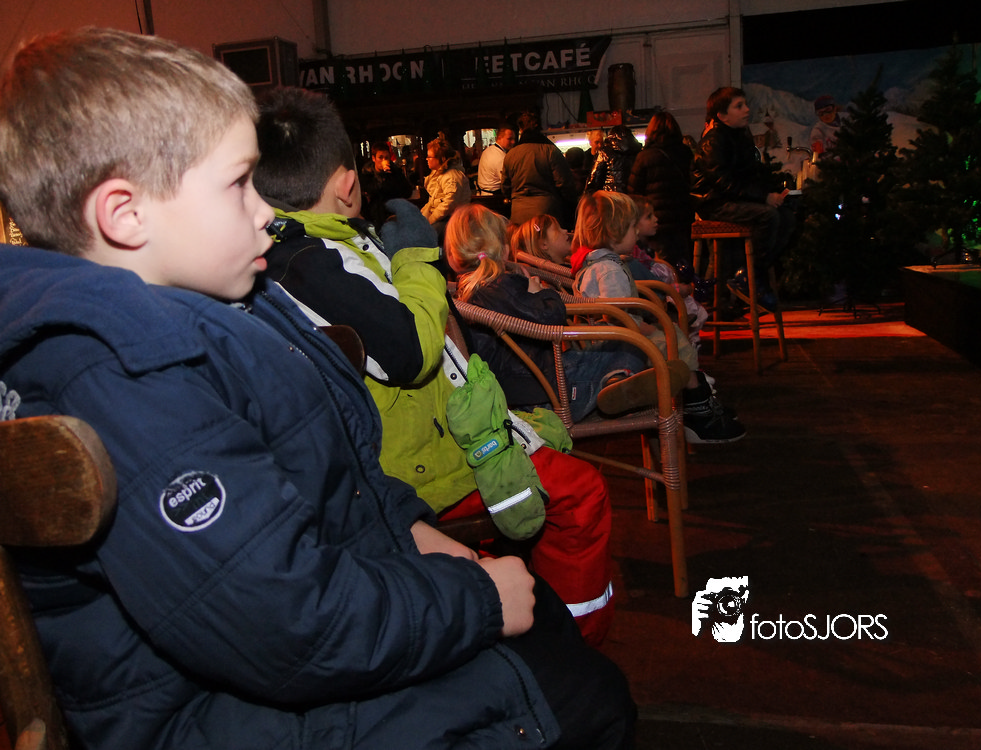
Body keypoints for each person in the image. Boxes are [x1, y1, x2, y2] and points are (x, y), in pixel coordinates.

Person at [0, 28, 635, 750]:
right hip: (218, 715)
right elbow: (281, 625)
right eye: (238, 185)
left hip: (308, 631)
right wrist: (477, 602)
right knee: (587, 699)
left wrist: (420, 537)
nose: (266, 212)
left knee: (551, 634)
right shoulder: (124, 370)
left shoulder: (227, 303)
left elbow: (342, 472)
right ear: (125, 215)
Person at [253, 85, 620, 647]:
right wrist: (418, 258)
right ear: (347, 183)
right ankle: (574, 642)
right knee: (581, 492)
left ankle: (535, 621)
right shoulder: (310, 260)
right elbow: (410, 352)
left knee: (552, 462)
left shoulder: (300, 246)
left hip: (421, 444)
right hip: (416, 470)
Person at [446, 204, 664, 421]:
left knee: (617, 346)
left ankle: (614, 383)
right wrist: (539, 293)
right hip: (549, 395)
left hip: (529, 385)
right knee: (633, 345)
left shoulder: (468, 291)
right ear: (504, 249)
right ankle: (616, 385)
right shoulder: (501, 287)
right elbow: (551, 319)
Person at [569, 191, 745, 444]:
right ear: (615, 233)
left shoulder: (594, 263)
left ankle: (695, 396)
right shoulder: (609, 270)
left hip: (607, 341)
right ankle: (699, 411)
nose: (636, 233)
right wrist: (649, 329)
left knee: (671, 337)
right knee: (674, 342)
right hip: (618, 341)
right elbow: (616, 314)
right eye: (632, 227)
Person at [690, 86, 796, 311]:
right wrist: (764, 197)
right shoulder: (714, 140)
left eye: (745, 104)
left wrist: (775, 192)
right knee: (768, 216)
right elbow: (724, 183)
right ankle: (749, 276)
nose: (747, 109)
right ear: (722, 115)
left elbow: (751, 175)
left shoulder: (739, 136)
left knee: (786, 216)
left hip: (730, 199)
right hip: (714, 203)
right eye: (739, 106)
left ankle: (749, 273)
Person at [627, 196, 708, 352]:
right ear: (633, 223)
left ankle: (687, 342)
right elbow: (649, 283)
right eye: (649, 216)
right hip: (651, 301)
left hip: (655, 296)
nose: (656, 219)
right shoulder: (630, 256)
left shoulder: (640, 249)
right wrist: (674, 289)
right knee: (684, 309)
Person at [627, 110, 696, 265]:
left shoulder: (644, 157)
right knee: (684, 262)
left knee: (661, 264)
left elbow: (634, 191)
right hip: (682, 218)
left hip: (656, 220)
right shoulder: (685, 153)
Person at [502, 111, 578, 226]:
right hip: (546, 212)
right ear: (538, 127)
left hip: (519, 212)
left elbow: (505, 187)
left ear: (521, 129)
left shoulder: (511, 154)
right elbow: (564, 184)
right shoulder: (550, 151)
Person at [421, 136, 471, 239]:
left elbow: (449, 204)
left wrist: (431, 219)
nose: (427, 159)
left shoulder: (451, 176)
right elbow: (433, 200)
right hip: (444, 218)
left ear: (441, 158)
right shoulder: (439, 174)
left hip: (453, 219)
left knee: (427, 235)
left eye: (430, 157)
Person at [360, 140, 412, 229]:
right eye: (380, 157)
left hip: (393, 216)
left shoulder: (396, 172)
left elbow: (407, 192)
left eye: (386, 157)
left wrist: (391, 176)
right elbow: (371, 191)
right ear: (374, 158)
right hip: (373, 218)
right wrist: (383, 178)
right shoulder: (367, 173)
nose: (383, 160)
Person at [584, 124, 642, 194]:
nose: (600, 145)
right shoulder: (639, 152)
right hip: (633, 195)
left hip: (611, 196)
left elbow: (594, 178)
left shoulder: (604, 152)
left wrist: (588, 194)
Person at [476, 124, 516, 194]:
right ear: (500, 138)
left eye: (513, 139)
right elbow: (507, 182)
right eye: (509, 139)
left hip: (484, 194)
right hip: (494, 196)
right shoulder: (500, 157)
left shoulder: (488, 150)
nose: (513, 142)